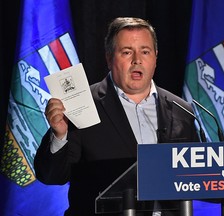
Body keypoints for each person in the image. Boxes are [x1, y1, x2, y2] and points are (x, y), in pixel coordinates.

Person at [34, 17, 200, 216]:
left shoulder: (181, 109)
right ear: (109, 57)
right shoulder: (81, 105)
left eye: (145, 51)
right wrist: (59, 136)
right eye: (127, 52)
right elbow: (52, 176)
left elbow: (194, 177)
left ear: (155, 57)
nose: (137, 60)